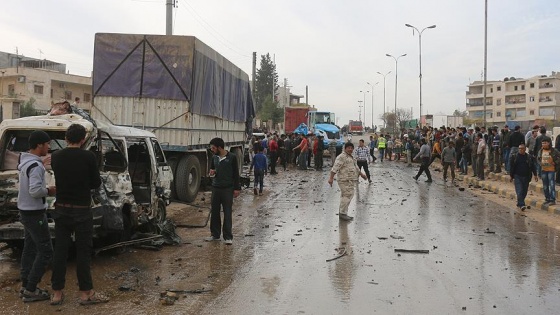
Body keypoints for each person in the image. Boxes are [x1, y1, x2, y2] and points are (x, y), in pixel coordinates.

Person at [50, 124, 107, 305]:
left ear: (66, 138)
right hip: (82, 210)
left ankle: (57, 293)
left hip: (61, 209)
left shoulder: (56, 156)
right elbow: (96, 183)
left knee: (60, 251)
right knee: (83, 252)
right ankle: (85, 294)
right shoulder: (88, 157)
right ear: (83, 140)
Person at [18, 131, 56, 302]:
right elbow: (34, 191)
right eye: (47, 144)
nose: (49, 147)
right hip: (34, 214)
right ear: (40, 144)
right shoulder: (36, 166)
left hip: (25, 212)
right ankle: (31, 289)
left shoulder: (26, 163)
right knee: (46, 251)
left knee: (30, 248)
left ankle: (26, 284)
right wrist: (49, 190)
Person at [207, 137, 241, 244]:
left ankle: (228, 237)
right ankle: (215, 234)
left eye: (213, 147)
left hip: (227, 189)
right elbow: (212, 171)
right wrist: (211, 173)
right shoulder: (214, 158)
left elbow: (236, 173)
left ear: (219, 147)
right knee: (215, 212)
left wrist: (237, 188)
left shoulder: (232, 157)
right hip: (216, 188)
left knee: (227, 212)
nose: (212, 150)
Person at [328, 142, 367, 221]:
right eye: (348, 148)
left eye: (351, 148)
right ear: (345, 148)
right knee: (347, 195)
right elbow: (335, 168)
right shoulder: (341, 157)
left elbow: (356, 168)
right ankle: (342, 213)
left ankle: (342, 212)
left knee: (346, 195)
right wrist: (331, 178)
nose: (350, 149)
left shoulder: (352, 157)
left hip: (350, 180)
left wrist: (362, 175)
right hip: (344, 180)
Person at [509, 144, 538, 211]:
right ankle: (522, 204)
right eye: (519, 148)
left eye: (522, 148)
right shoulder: (515, 157)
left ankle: (519, 203)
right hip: (517, 176)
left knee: (524, 191)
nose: (520, 150)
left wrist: (535, 175)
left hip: (526, 176)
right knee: (519, 190)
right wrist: (511, 176)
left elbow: (533, 166)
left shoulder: (529, 157)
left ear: (525, 149)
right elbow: (512, 167)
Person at [537, 138, 560, 206]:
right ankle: (547, 199)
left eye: (545, 143)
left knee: (552, 185)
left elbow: (559, 157)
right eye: (542, 143)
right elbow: (538, 158)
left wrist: (555, 162)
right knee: (545, 186)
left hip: (551, 170)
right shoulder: (541, 151)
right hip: (544, 170)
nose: (543, 144)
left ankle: (552, 200)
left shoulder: (554, 151)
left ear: (549, 143)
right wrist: (540, 163)